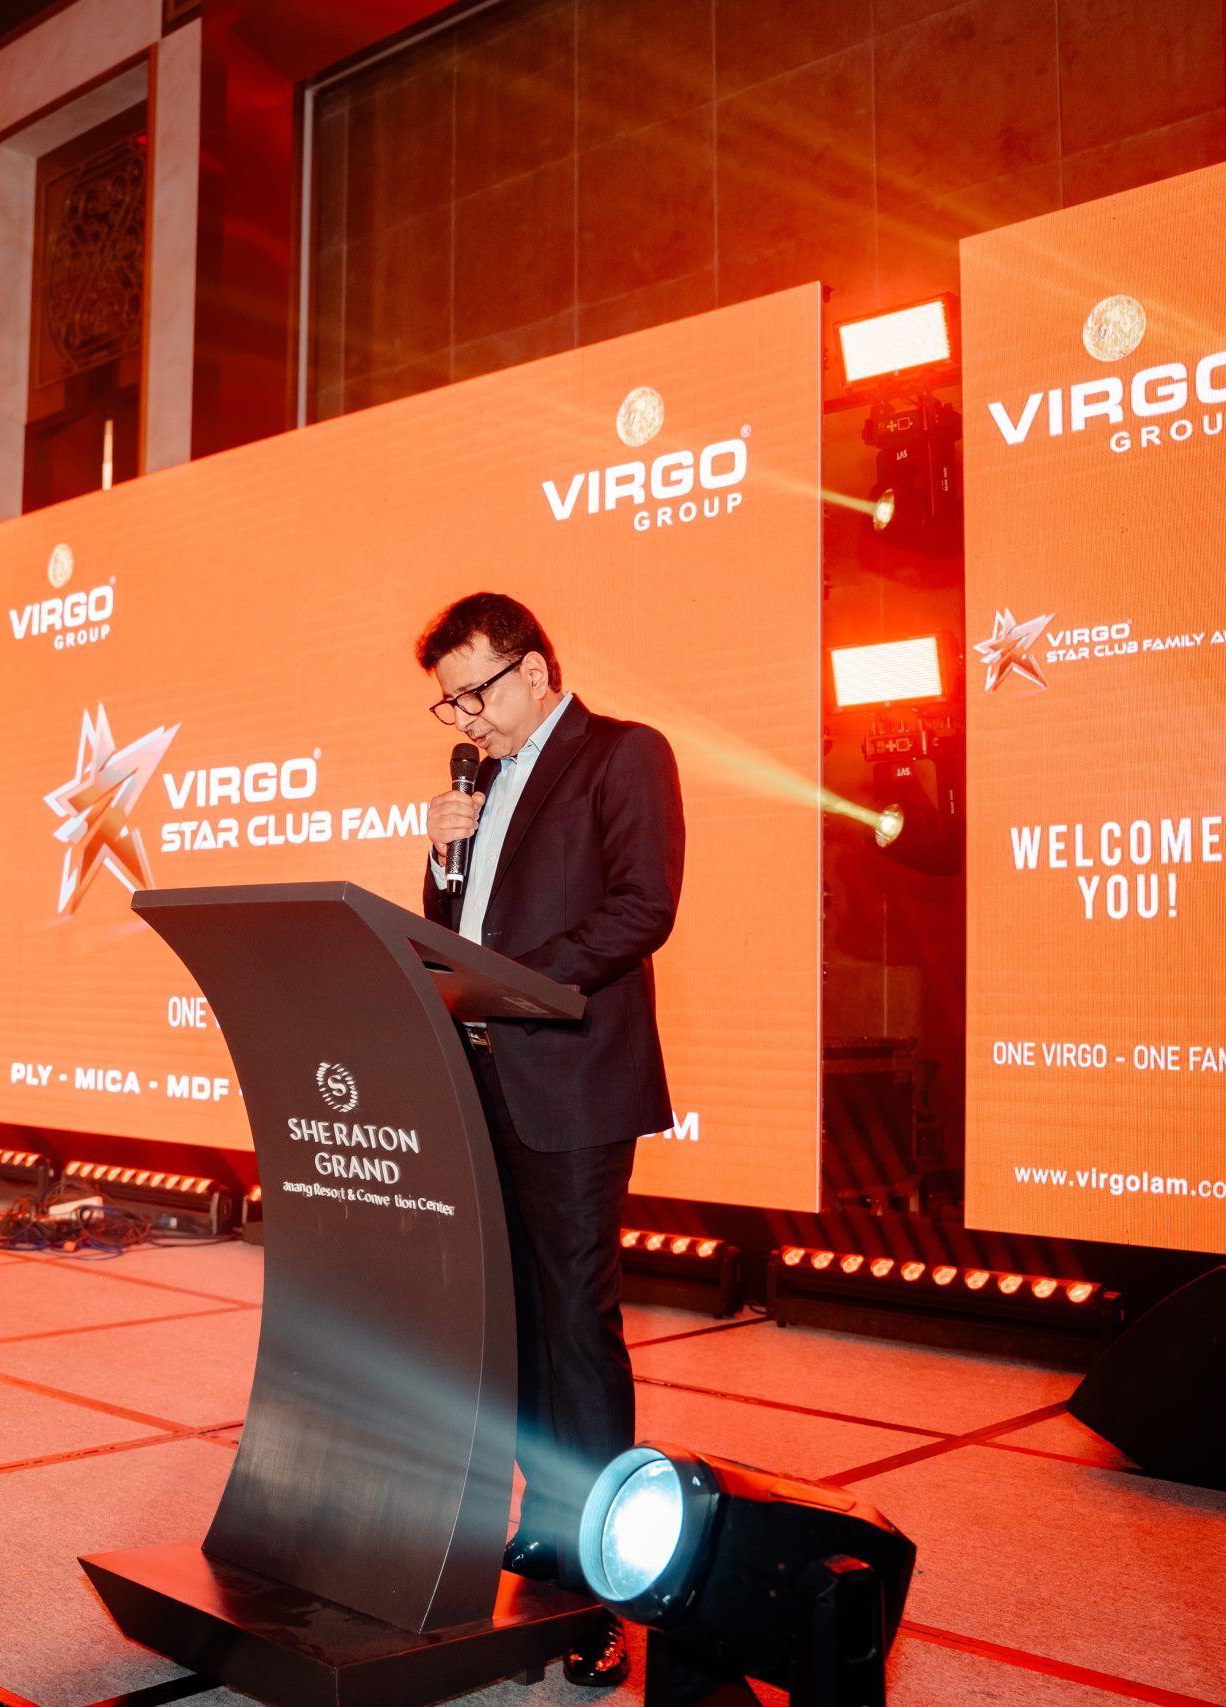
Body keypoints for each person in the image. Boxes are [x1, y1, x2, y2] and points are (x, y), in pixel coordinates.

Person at [417, 592, 683, 1689]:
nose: (466, 719)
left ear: (533, 669)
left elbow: (643, 907)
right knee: (517, 1321)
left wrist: (512, 986)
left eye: (475, 693)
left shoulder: (623, 754)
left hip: (570, 1081)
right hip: (480, 1078)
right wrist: (440, 858)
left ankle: (601, 1573)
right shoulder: (478, 788)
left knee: (575, 1323)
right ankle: (542, 1523)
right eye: (451, 704)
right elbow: (451, 933)